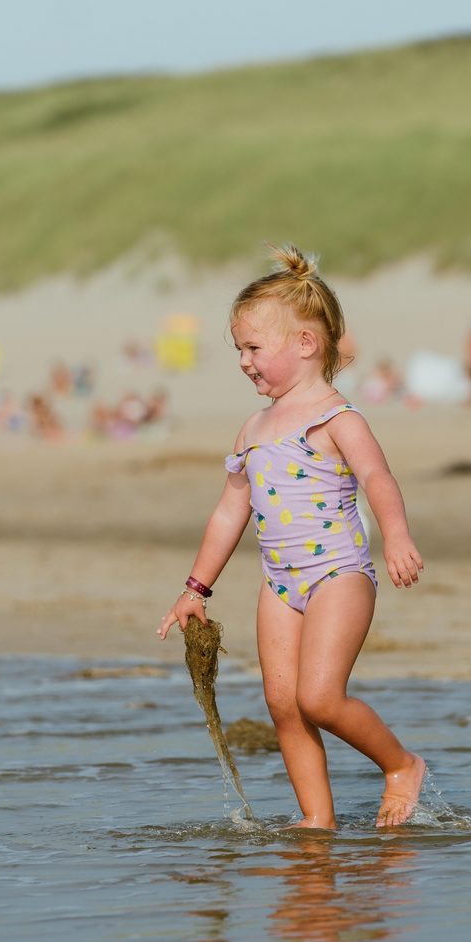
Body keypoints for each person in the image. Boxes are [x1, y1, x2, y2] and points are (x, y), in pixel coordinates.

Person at [156, 244, 427, 829]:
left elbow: (378, 477)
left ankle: (401, 765)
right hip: (279, 582)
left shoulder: (337, 418)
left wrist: (397, 536)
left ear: (305, 344)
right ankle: (317, 820)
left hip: (338, 574)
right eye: (239, 350)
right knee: (282, 704)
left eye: (253, 348)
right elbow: (230, 513)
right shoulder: (252, 429)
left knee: (320, 698)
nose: (244, 361)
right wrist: (195, 588)